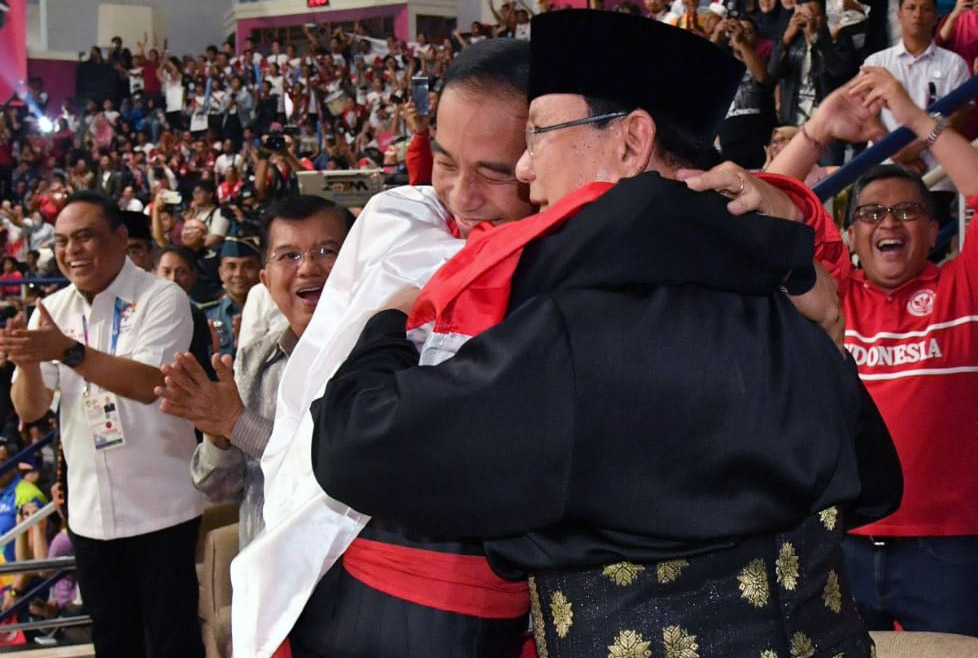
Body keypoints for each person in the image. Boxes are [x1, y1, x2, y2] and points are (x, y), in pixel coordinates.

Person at [311, 11, 900, 658]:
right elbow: (874, 481)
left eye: (538, 135)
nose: (528, 169)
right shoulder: (787, 301)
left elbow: (352, 444)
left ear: (631, 141)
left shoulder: (567, 330)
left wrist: (389, 318)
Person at [766, 66, 978, 636]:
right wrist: (815, 131)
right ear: (851, 235)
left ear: (935, 231)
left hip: (951, 551)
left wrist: (913, 119)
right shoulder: (830, 296)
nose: (890, 222)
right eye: (871, 213)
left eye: (908, 211)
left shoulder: (965, 288)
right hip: (840, 544)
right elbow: (749, 216)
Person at [0, 190, 205, 658]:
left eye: (85, 237)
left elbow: (149, 383)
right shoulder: (52, 310)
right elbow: (30, 409)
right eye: (62, 241)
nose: (72, 250)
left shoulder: (162, 298)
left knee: (173, 639)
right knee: (113, 641)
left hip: (162, 507)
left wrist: (66, 351)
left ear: (118, 237)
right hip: (90, 511)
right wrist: (28, 361)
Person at [157, 196, 350, 550]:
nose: (307, 268)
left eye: (326, 251)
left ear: (356, 263)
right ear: (266, 279)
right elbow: (220, 489)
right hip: (264, 583)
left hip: (346, 582)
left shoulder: (381, 356)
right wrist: (216, 435)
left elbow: (337, 473)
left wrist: (236, 423)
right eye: (289, 256)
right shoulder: (251, 361)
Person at [861, 0, 970, 221]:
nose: (918, 15)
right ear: (899, 15)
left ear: (935, 17)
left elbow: (960, 116)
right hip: (883, 172)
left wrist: (916, 148)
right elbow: (866, 117)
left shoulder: (954, 64)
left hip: (936, 174)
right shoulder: (877, 62)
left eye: (926, 9)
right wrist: (897, 153)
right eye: (911, 8)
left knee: (934, 246)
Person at [199, 236, 261, 357]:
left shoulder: (273, 314)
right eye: (231, 267)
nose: (238, 274)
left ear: (261, 271)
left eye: (248, 266)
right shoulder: (207, 315)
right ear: (221, 273)